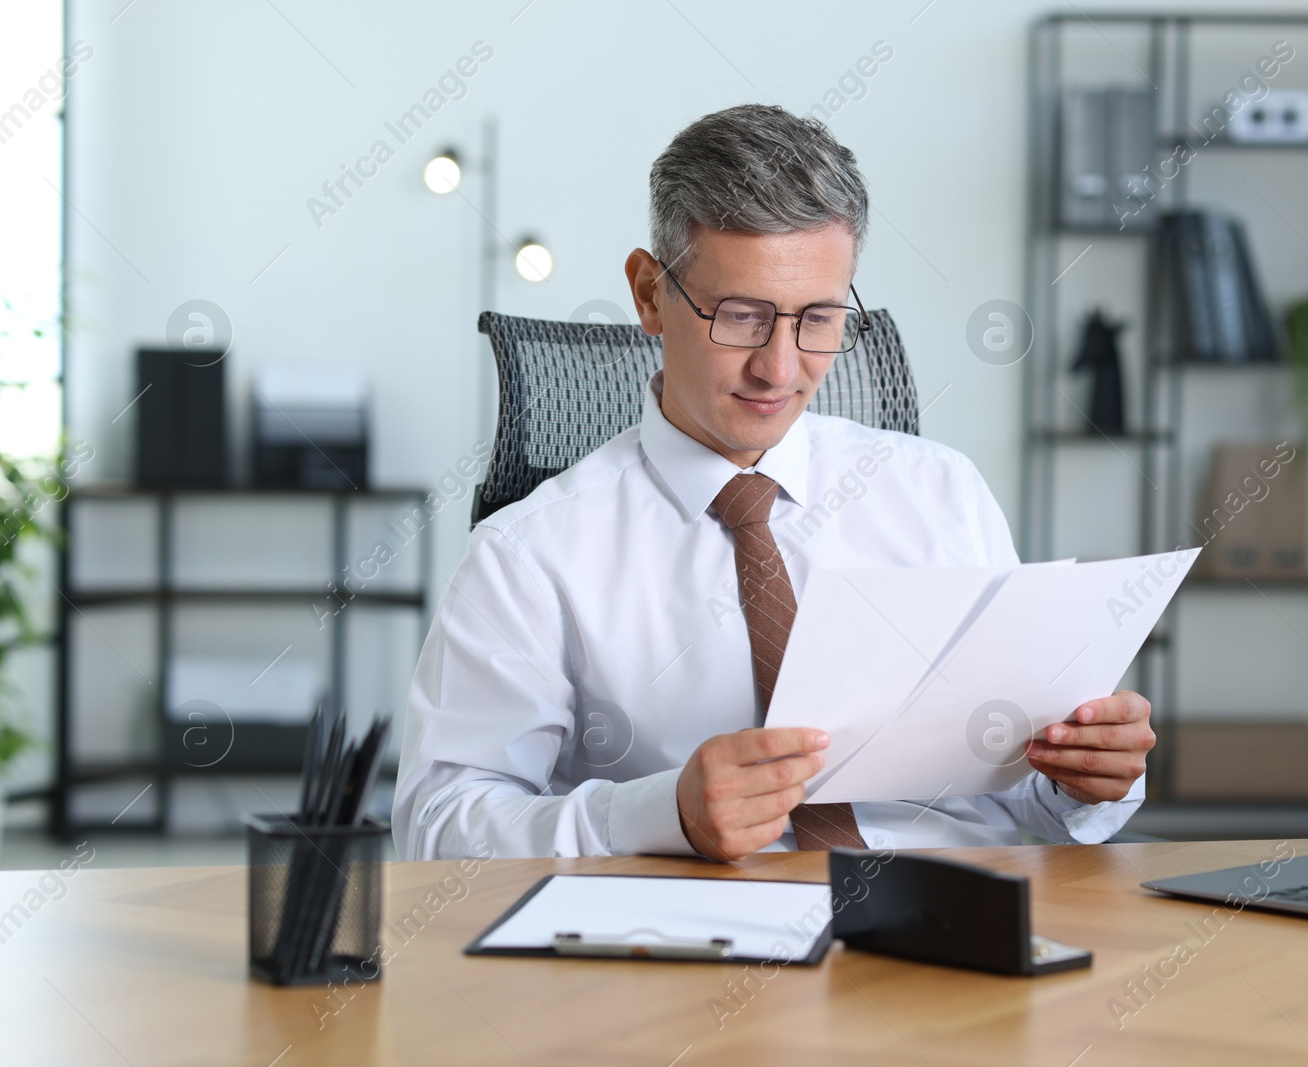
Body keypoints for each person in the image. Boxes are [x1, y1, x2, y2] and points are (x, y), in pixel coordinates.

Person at [393, 104, 1154, 861]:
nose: (780, 369)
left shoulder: (941, 494)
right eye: (742, 316)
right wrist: (662, 813)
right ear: (650, 294)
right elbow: (436, 826)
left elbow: (1023, 788)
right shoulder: (530, 553)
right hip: (687, 943)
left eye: (818, 319)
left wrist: (1084, 775)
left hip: (954, 924)